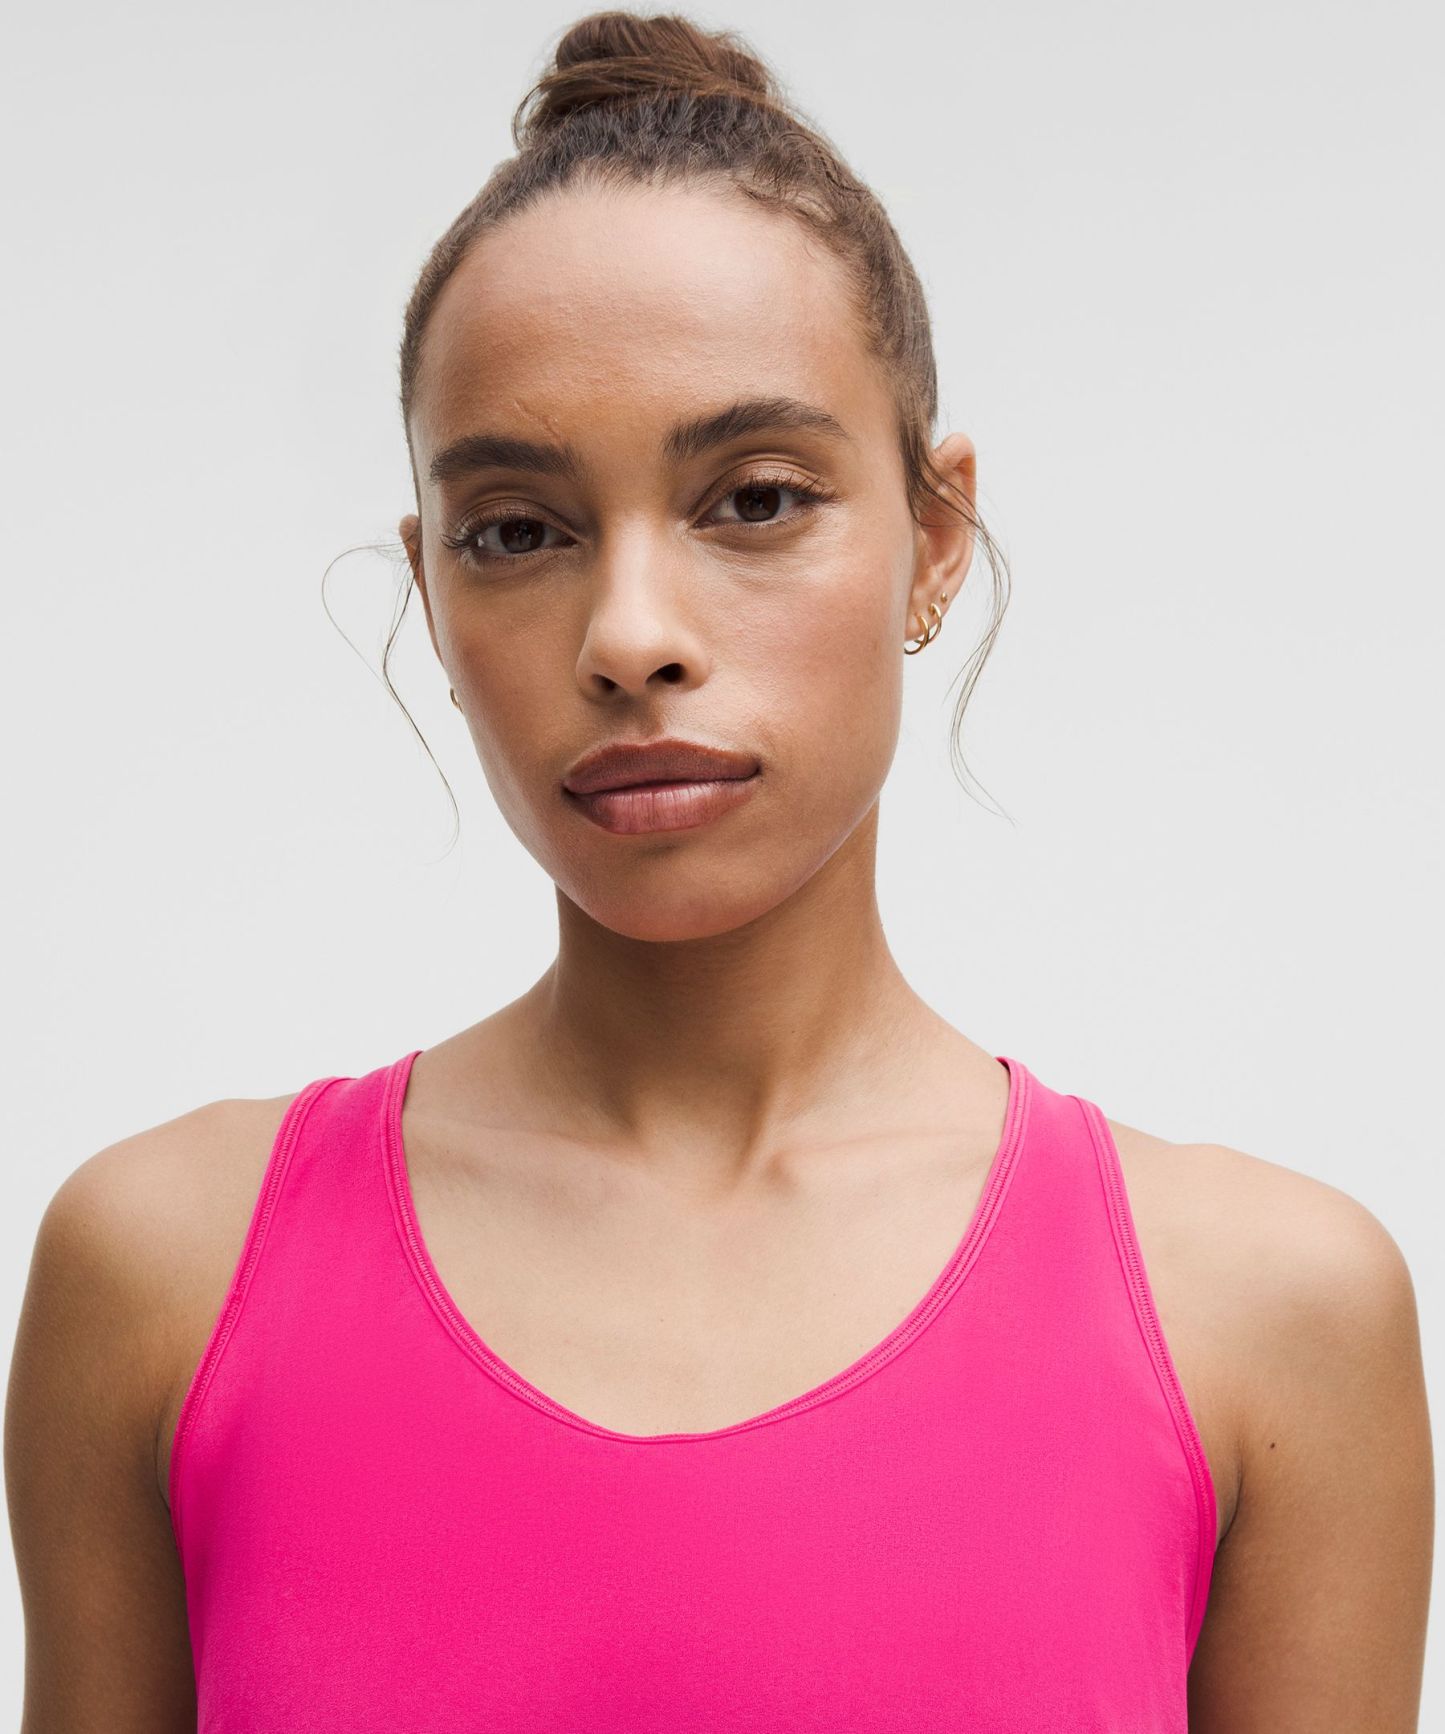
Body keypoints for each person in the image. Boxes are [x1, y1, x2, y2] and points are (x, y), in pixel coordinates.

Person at [5, 10, 1432, 1731]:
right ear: (431, 592)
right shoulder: (165, 1281)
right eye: (516, 529)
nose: (629, 635)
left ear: (933, 536)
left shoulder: (1266, 1321)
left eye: (752, 498)